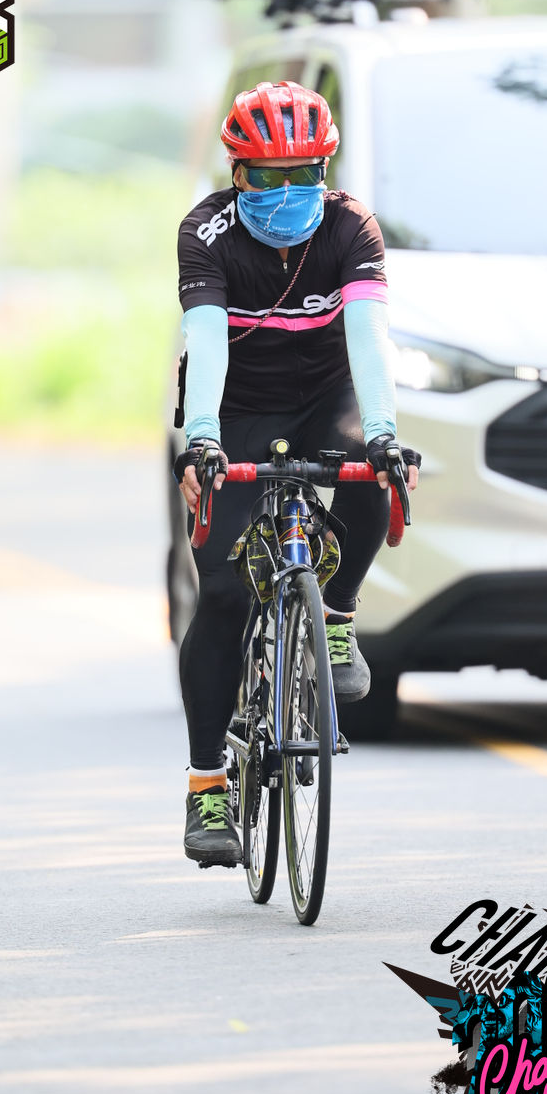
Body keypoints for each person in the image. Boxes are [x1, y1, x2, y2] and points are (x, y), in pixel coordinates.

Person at [174, 80, 420, 867]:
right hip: (237, 406)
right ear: (235, 173)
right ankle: (207, 785)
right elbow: (206, 341)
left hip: (324, 396)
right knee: (220, 594)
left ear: (326, 169)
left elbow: (369, 336)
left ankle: (336, 618)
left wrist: (383, 433)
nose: (286, 191)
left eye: (304, 173)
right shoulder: (205, 231)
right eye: (266, 176)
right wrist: (202, 440)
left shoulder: (350, 226)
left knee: (372, 471)